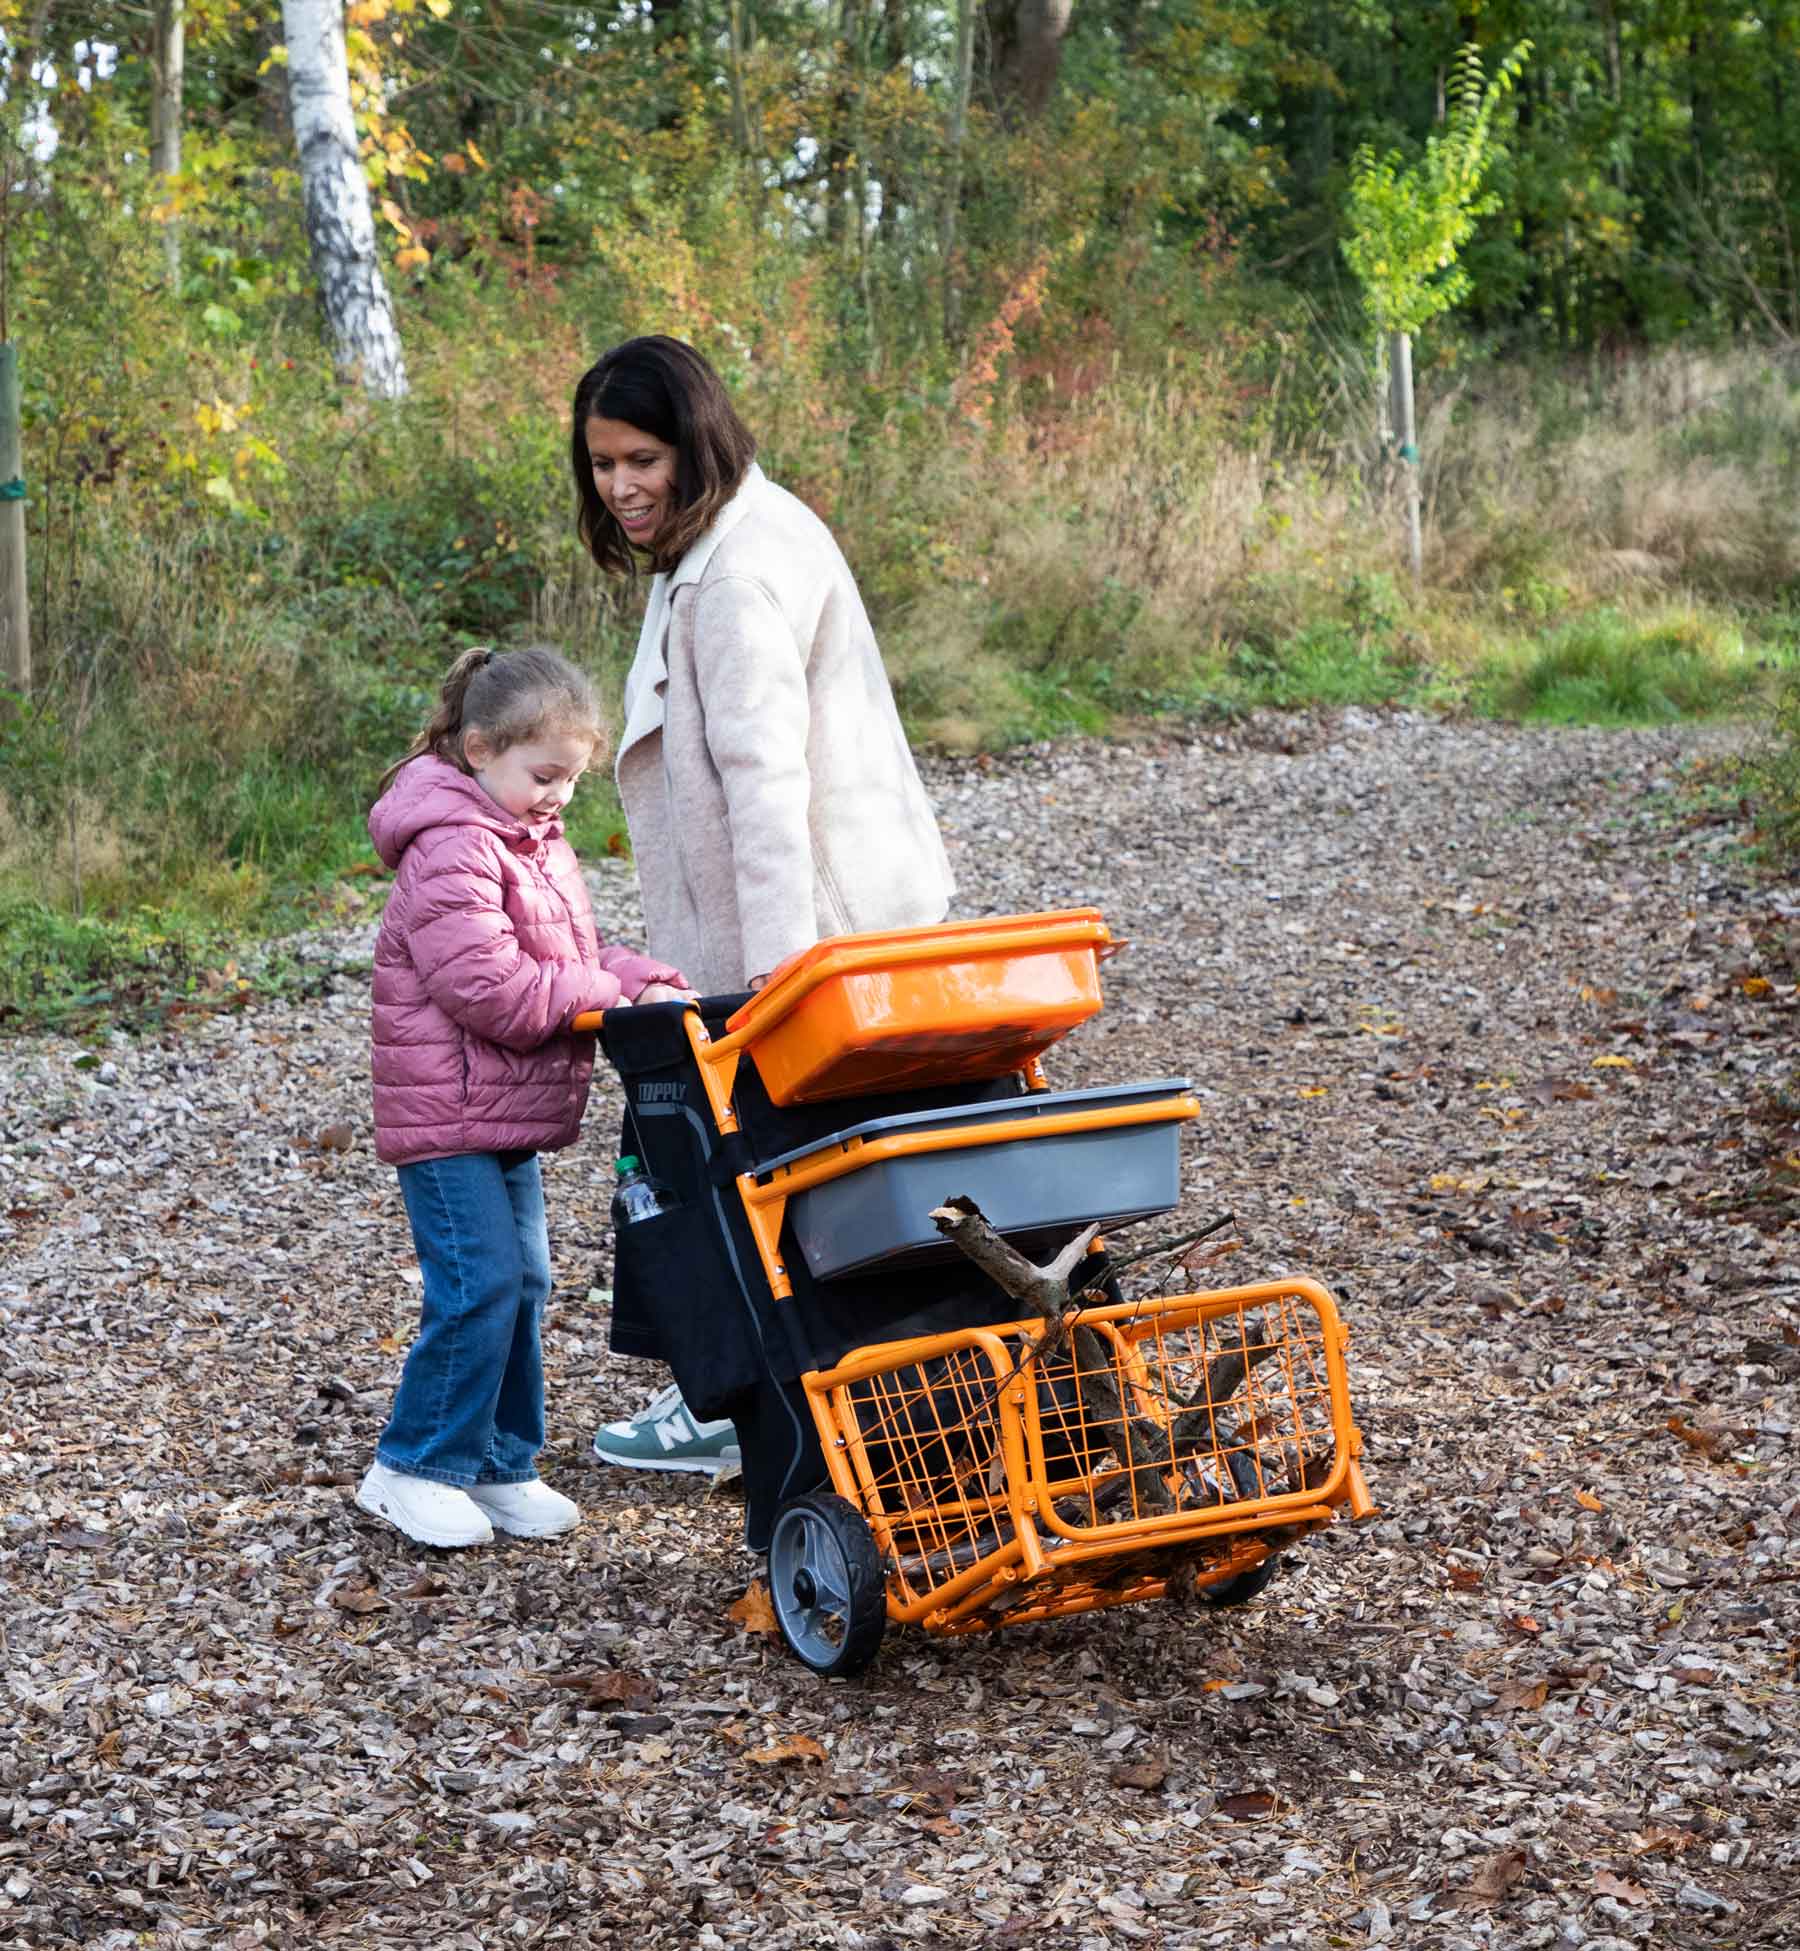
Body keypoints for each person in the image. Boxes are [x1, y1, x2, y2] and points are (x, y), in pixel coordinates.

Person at [570, 334, 956, 1474]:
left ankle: (746, 1406)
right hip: (854, 908)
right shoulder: (744, 526)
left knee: (751, 1165)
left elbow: (766, 788)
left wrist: (776, 990)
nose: (622, 485)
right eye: (600, 464)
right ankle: (806, 1397)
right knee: (817, 1174)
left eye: (642, 457)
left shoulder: (734, 576)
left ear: (695, 441)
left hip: (809, 931)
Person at [356, 644, 690, 1548]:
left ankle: (499, 1461)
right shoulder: (452, 848)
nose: (559, 797)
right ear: (477, 750)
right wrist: (605, 998)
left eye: (572, 780)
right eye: (545, 775)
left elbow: (571, 954)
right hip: (448, 1110)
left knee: (525, 1281)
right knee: (479, 1284)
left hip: (498, 1111)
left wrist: (644, 979)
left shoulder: (530, 840)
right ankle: (413, 1465)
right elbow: (492, 989)